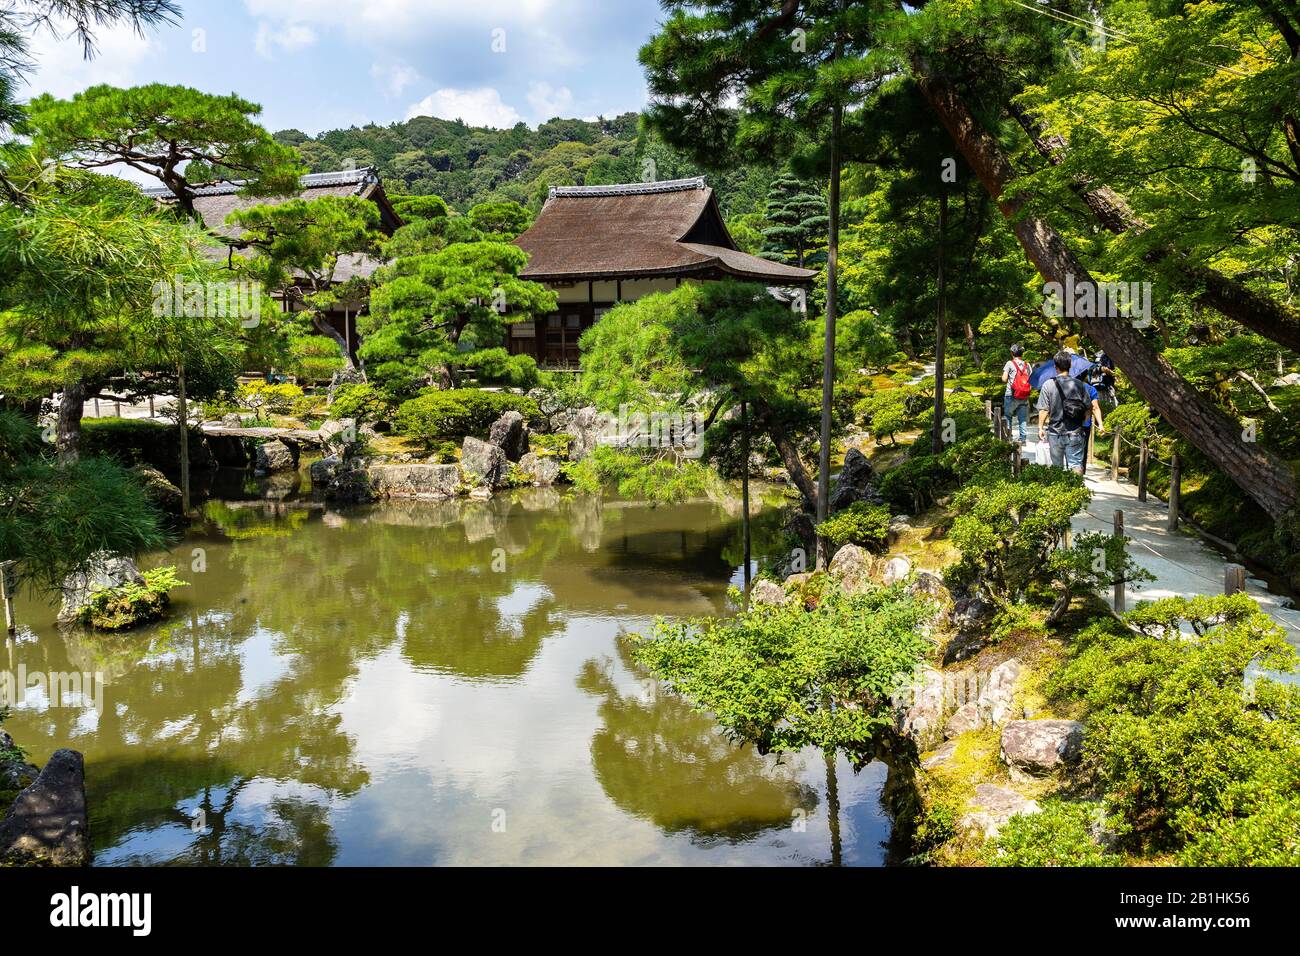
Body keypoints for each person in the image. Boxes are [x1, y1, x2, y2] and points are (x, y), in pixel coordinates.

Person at [1037, 350, 1094, 474]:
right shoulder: (1079, 384)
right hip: (1076, 432)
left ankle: (1061, 491)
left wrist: (1040, 428)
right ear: (1070, 365)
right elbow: (1089, 407)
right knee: (1076, 465)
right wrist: (1084, 422)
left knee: (1057, 467)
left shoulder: (1048, 385)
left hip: (1055, 432)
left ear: (1055, 367)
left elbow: (1044, 409)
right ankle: (1076, 491)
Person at [1001, 343, 1032, 443]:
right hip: (1024, 395)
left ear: (1012, 353)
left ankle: (1008, 437)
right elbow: (1031, 379)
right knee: (1022, 419)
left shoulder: (1009, 363)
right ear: (1022, 353)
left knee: (1008, 416)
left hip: (1011, 394)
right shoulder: (1027, 365)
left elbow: (1004, 379)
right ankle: (1023, 439)